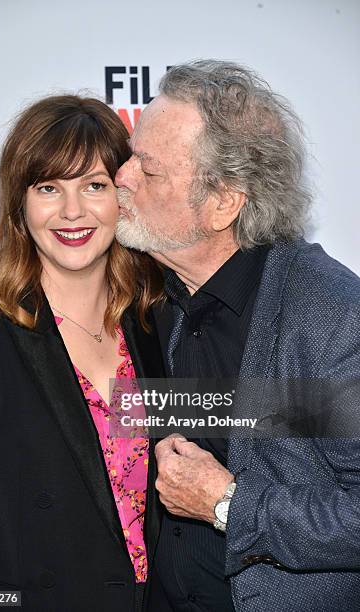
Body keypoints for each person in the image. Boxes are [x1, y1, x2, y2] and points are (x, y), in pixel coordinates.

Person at [115, 60, 360, 611]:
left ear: (223, 202)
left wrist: (228, 503)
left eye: (148, 170)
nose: (122, 177)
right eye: (131, 155)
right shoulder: (156, 300)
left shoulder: (332, 317)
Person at [0, 94, 170, 612]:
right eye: (48, 187)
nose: (72, 211)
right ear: (20, 204)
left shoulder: (156, 323)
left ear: (123, 196)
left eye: (94, 186)